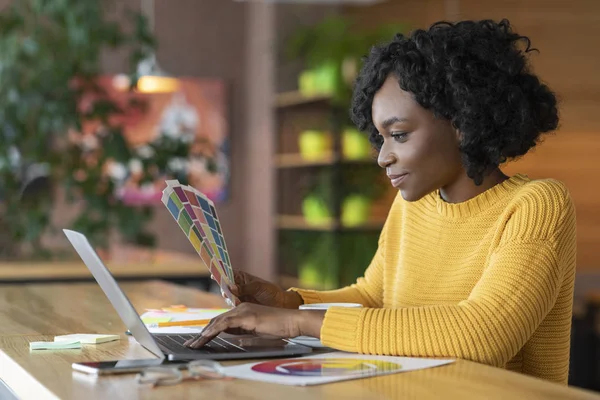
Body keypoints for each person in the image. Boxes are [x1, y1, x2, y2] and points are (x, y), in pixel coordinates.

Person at [184, 19, 576, 385]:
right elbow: (374, 297)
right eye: (380, 138)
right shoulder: (414, 205)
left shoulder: (536, 206)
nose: (382, 156)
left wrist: (297, 324)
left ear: (462, 122)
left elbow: (484, 334)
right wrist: (291, 303)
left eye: (399, 135)